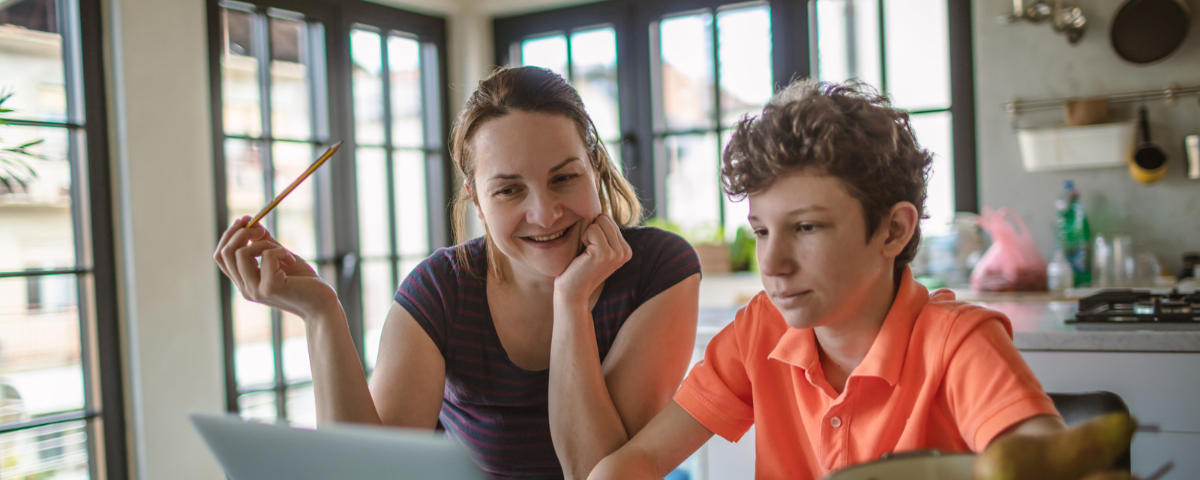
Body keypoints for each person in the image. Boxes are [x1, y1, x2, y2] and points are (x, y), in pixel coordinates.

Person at [214, 66, 702, 479]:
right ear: (476, 199)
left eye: (564, 178)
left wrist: (570, 302)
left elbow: (594, 470)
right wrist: (321, 313)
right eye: (509, 190)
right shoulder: (442, 290)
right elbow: (367, 474)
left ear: (595, 167)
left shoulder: (660, 270)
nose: (546, 213)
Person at [588, 79, 1065, 480]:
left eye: (806, 228)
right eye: (761, 231)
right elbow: (643, 458)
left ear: (893, 230)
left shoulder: (958, 343)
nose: (772, 263)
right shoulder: (762, 329)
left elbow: (1043, 460)